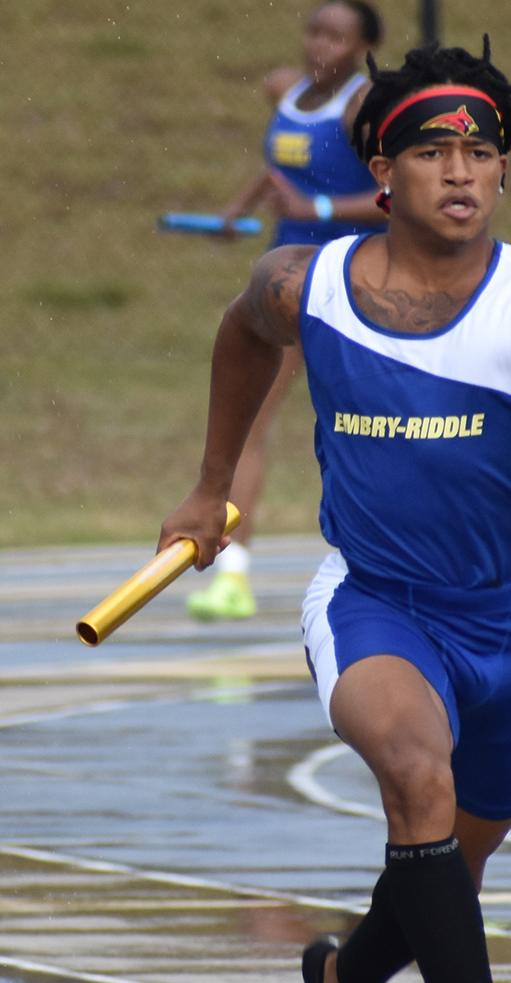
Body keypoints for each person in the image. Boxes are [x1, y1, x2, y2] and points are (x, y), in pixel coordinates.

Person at [158, 39, 511, 983]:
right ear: (383, 173)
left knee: (439, 883)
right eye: (434, 151)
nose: (463, 170)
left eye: (484, 150)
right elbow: (242, 335)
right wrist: (212, 488)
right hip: (375, 603)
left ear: (507, 170)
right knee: (419, 787)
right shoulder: (305, 285)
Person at [186, 0, 389, 622]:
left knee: (368, 423)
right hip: (284, 281)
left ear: (362, 49)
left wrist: (317, 211)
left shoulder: (362, 105)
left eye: (337, 36)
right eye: (315, 30)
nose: (320, 45)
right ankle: (232, 577)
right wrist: (236, 208)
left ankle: (390, 560)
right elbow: (280, 166)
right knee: (253, 422)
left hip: (339, 285)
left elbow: (394, 195)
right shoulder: (284, 89)